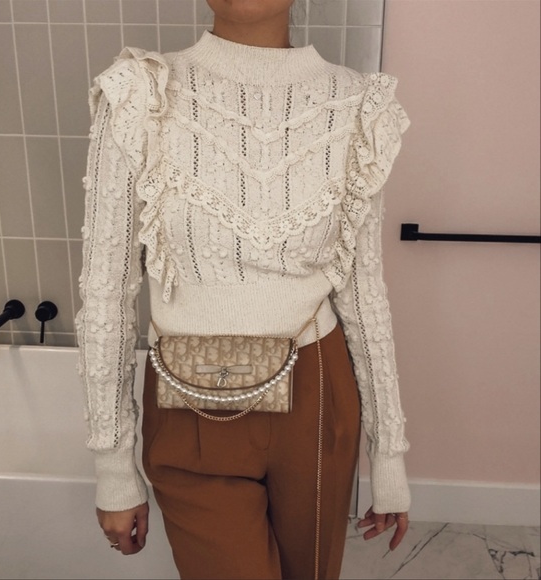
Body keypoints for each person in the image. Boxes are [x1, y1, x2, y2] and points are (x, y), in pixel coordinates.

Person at [75, 1, 412, 578]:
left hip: (317, 392)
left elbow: (363, 294)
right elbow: (106, 291)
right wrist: (113, 467)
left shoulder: (357, 104)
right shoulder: (138, 93)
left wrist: (389, 455)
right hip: (186, 401)